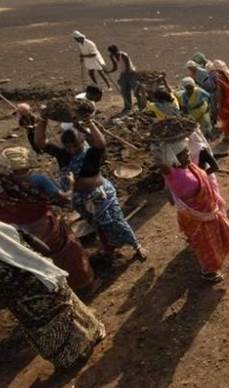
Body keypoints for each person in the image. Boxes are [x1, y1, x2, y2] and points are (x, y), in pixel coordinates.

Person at [33, 115, 147, 262]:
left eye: (75, 145)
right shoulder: (63, 154)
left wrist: (90, 122)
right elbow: (40, 142)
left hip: (101, 197)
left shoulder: (90, 154)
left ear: (82, 141)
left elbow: (100, 143)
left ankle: (136, 245)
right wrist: (43, 120)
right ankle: (109, 248)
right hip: (81, 200)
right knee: (98, 226)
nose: (72, 149)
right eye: (68, 146)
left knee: (116, 222)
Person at [0, 222, 105, 369]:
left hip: (24, 297)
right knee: (65, 308)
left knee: (46, 322)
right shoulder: (7, 230)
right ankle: (90, 335)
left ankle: (72, 356)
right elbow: (41, 246)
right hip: (43, 277)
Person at [0, 148, 95, 293]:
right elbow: (65, 199)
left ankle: (61, 290)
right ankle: (84, 284)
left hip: (19, 234)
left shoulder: (4, 185)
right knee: (71, 253)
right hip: (47, 226)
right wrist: (71, 184)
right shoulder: (39, 180)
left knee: (42, 261)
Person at [153, 139, 229, 282]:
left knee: (211, 241)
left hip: (207, 212)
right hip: (197, 218)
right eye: (183, 153)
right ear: (173, 158)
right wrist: (157, 146)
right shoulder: (173, 174)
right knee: (206, 246)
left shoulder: (188, 167)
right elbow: (160, 163)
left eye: (187, 151)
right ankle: (208, 272)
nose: (188, 154)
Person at [208, 59, 229, 141]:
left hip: (226, 103)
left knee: (227, 119)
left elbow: (220, 93)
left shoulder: (220, 79)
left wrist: (219, 104)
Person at [107, 44, 137, 113]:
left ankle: (141, 105)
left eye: (114, 52)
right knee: (125, 92)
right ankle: (128, 106)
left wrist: (122, 78)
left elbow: (128, 68)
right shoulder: (112, 56)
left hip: (131, 73)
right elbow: (115, 67)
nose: (113, 54)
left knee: (136, 91)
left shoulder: (123, 55)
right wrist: (108, 71)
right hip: (123, 74)